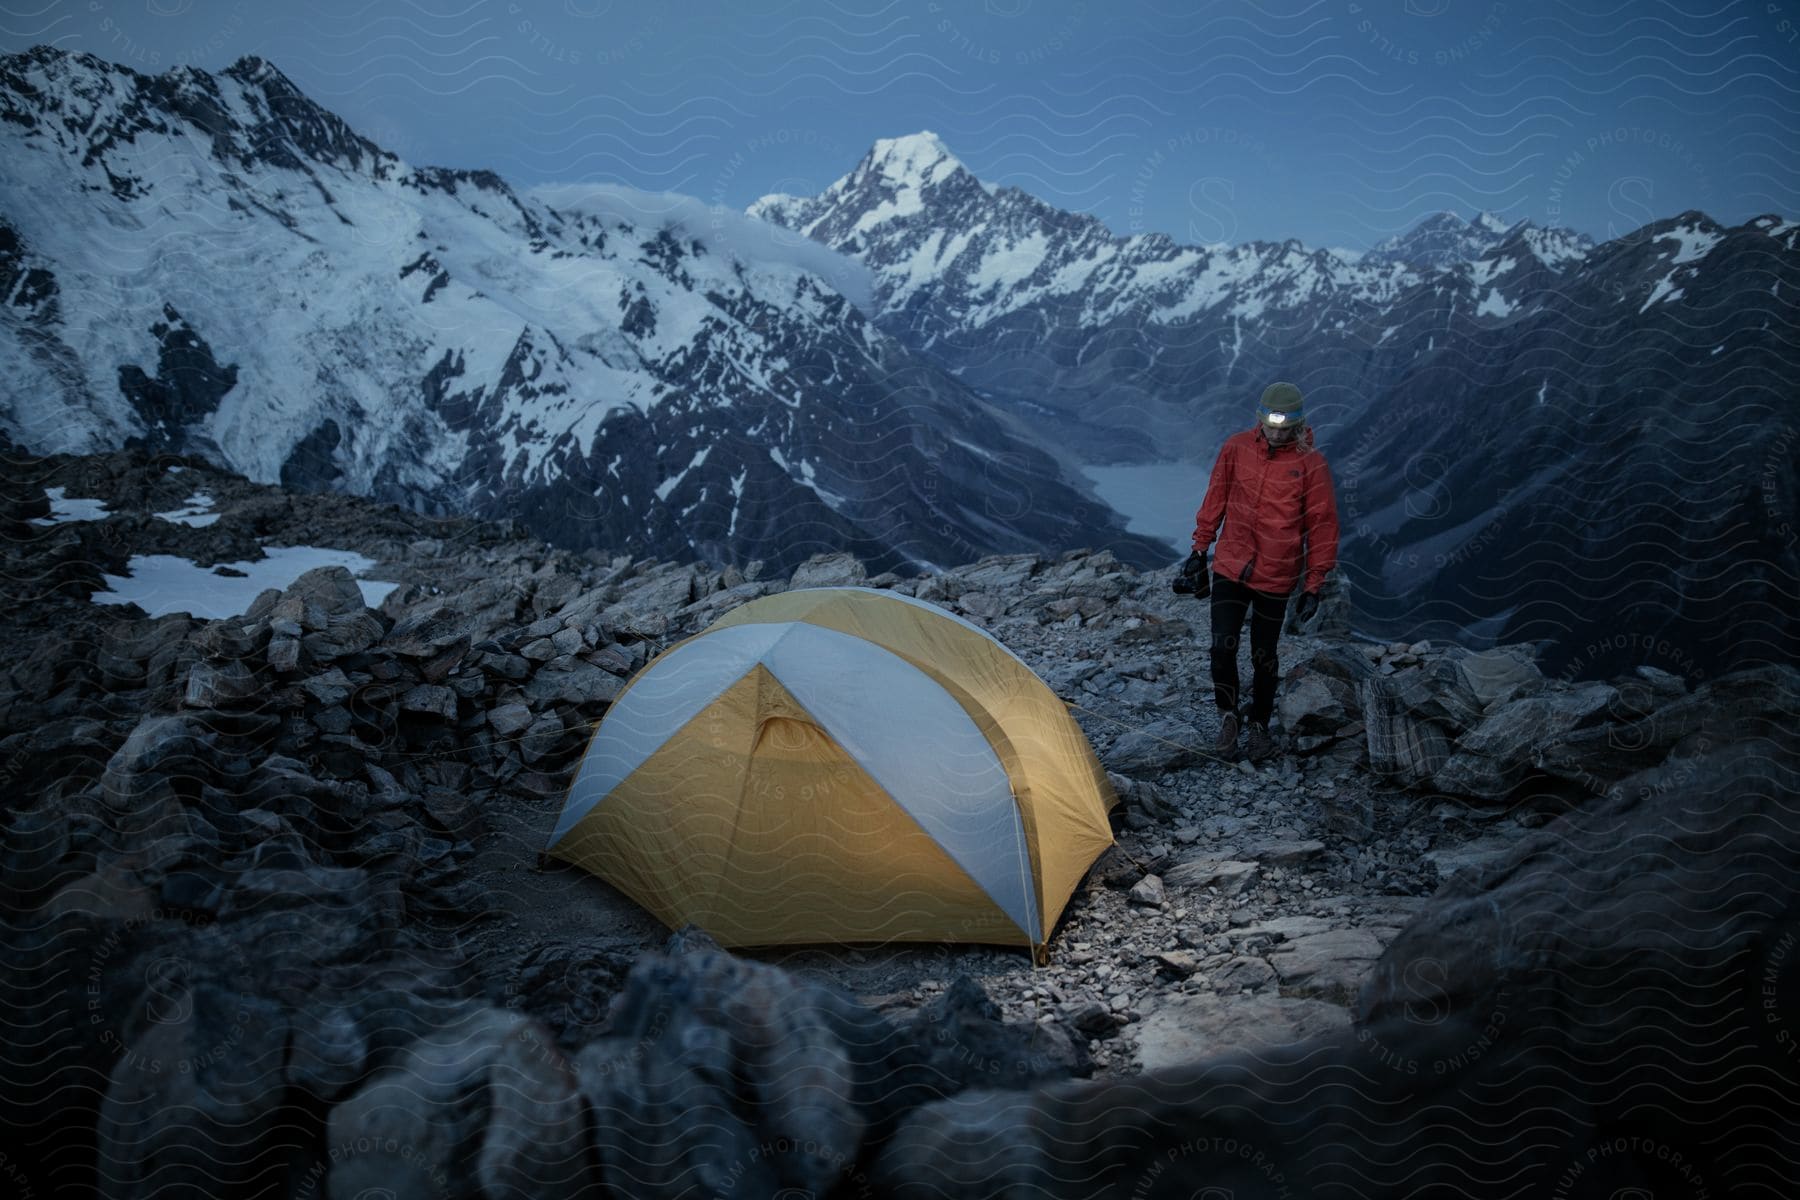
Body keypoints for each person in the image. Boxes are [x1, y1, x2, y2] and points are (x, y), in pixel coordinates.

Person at [1172, 381, 1340, 762]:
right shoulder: (1236, 448)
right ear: (1260, 419)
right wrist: (1200, 548)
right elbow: (1216, 496)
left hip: (1277, 575)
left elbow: (1323, 525)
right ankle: (1229, 715)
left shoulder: (1312, 465)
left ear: (1300, 425)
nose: (1278, 432)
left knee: (1264, 656)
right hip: (1232, 564)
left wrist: (1314, 585)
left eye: (1287, 426)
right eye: (1272, 424)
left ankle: (1259, 726)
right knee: (1221, 647)